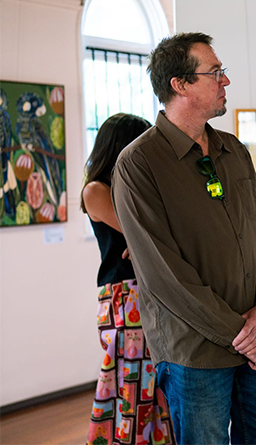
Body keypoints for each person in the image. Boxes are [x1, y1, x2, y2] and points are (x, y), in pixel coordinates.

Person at [111, 32, 256, 445]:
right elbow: (165, 276)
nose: (225, 81)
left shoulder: (233, 149)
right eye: (216, 72)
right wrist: (242, 336)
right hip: (196, 355)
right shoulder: (138, 164)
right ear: (181, 84)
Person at [82, 113, 176, 445]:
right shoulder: (96, 190)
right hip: (123, 296)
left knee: (155, 383)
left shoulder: (134, 190)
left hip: (147, 290)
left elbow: (158, 233)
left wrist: (144, 245)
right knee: (130, 383)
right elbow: (142, 231)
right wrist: (142, 243)